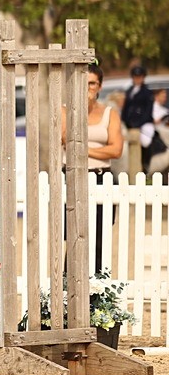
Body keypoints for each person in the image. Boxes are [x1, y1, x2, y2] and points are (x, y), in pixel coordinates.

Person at [63, 65, 123, 271]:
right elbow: (65, 138)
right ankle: (68, 282)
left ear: (100, 86)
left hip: (100, 176)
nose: (87, 88)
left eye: (91, 83)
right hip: (72, 176)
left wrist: (83, 149)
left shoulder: (109, 113)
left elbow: (116, 149)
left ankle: (98, 283)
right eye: (83, 83)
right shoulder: (66, 110)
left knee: (100, 234)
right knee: (72, 235)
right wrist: (80, 107)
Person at [120, 65, 155, 172]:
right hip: (130, 123)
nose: (137, 79)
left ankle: (145, 164)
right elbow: (126, 108)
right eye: (135, 77)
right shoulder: (129, 91)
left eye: (139, 77)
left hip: (144, 123)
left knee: (145, 141)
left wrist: (138, 124)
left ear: (143, 77)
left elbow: (148, 111)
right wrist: (124, 121)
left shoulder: (147, 92)